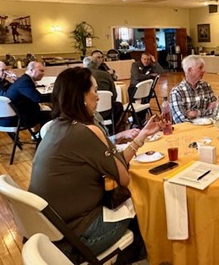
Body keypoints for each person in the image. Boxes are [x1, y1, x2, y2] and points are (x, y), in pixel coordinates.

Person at [28, 67, 164, 263]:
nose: (98, 97)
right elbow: (124, 177)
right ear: (81, 96)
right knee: (147, 204)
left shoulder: (56, 127)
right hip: (77, 239)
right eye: (95, 90)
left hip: (50, 232)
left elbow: (114, 162)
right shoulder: (86, 131)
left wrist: (141, 136)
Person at [169, 55, 217, 123]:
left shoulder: (206, 86)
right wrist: (206, 111)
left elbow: (216, 110)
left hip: (207, 127)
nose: (204, 71)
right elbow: (180, 120)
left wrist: (195, 113)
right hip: (187, 129)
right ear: (189, 70)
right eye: (200, 68)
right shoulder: (177, 92)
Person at [5, 61, 51, 130]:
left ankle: (40, 134)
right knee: (53, 115)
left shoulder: (24, 79)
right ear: (32, 70)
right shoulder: (24, 82)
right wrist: (56, 96)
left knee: (48, 112)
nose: (43, 73)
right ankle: (43, 135)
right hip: (18, 119)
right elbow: (38, 98)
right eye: (41, 71)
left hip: (19, 115)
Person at [83, 57, 123, 129]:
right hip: (107, 112)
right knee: (118, 106)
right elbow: (114, 95)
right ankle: (111, 129)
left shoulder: (80, 77)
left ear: (84, 65)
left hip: (86, 113)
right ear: (97, 64)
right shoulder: (106, 75)